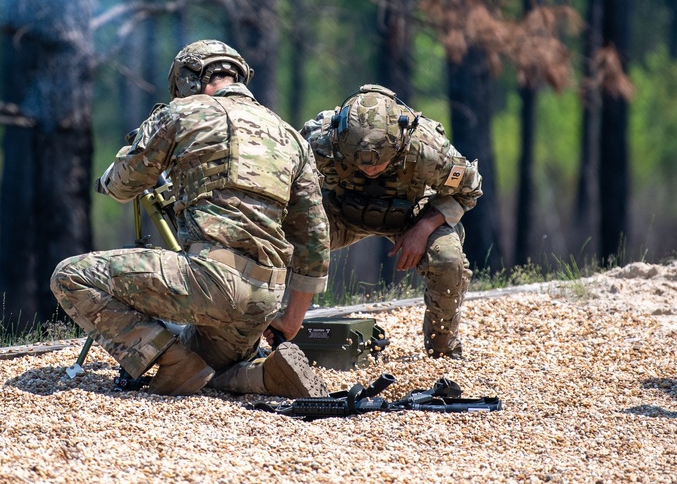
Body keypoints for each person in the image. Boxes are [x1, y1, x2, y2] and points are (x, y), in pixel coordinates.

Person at [51, 40, 331, 397]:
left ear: (189, 79)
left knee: (70, 277)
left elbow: (124, 185)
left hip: (210, 283)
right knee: (210, 367)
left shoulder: (182, 112)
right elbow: (315, 238)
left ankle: (172, 362)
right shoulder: (293, 138)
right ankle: (262, 376)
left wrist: (109, 176)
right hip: (264, 299)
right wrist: (291, 320)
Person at [300, 84, 483, 359]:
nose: (369, 169)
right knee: (283, 240)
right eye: (359, 162)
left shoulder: (428, 149)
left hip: (410, 217)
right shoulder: (320, 141)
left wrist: (423, 229)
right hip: (339, 212)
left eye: (378, 163)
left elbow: (469, 189)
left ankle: (443, 351)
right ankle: (277, 331)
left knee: (447, 260)